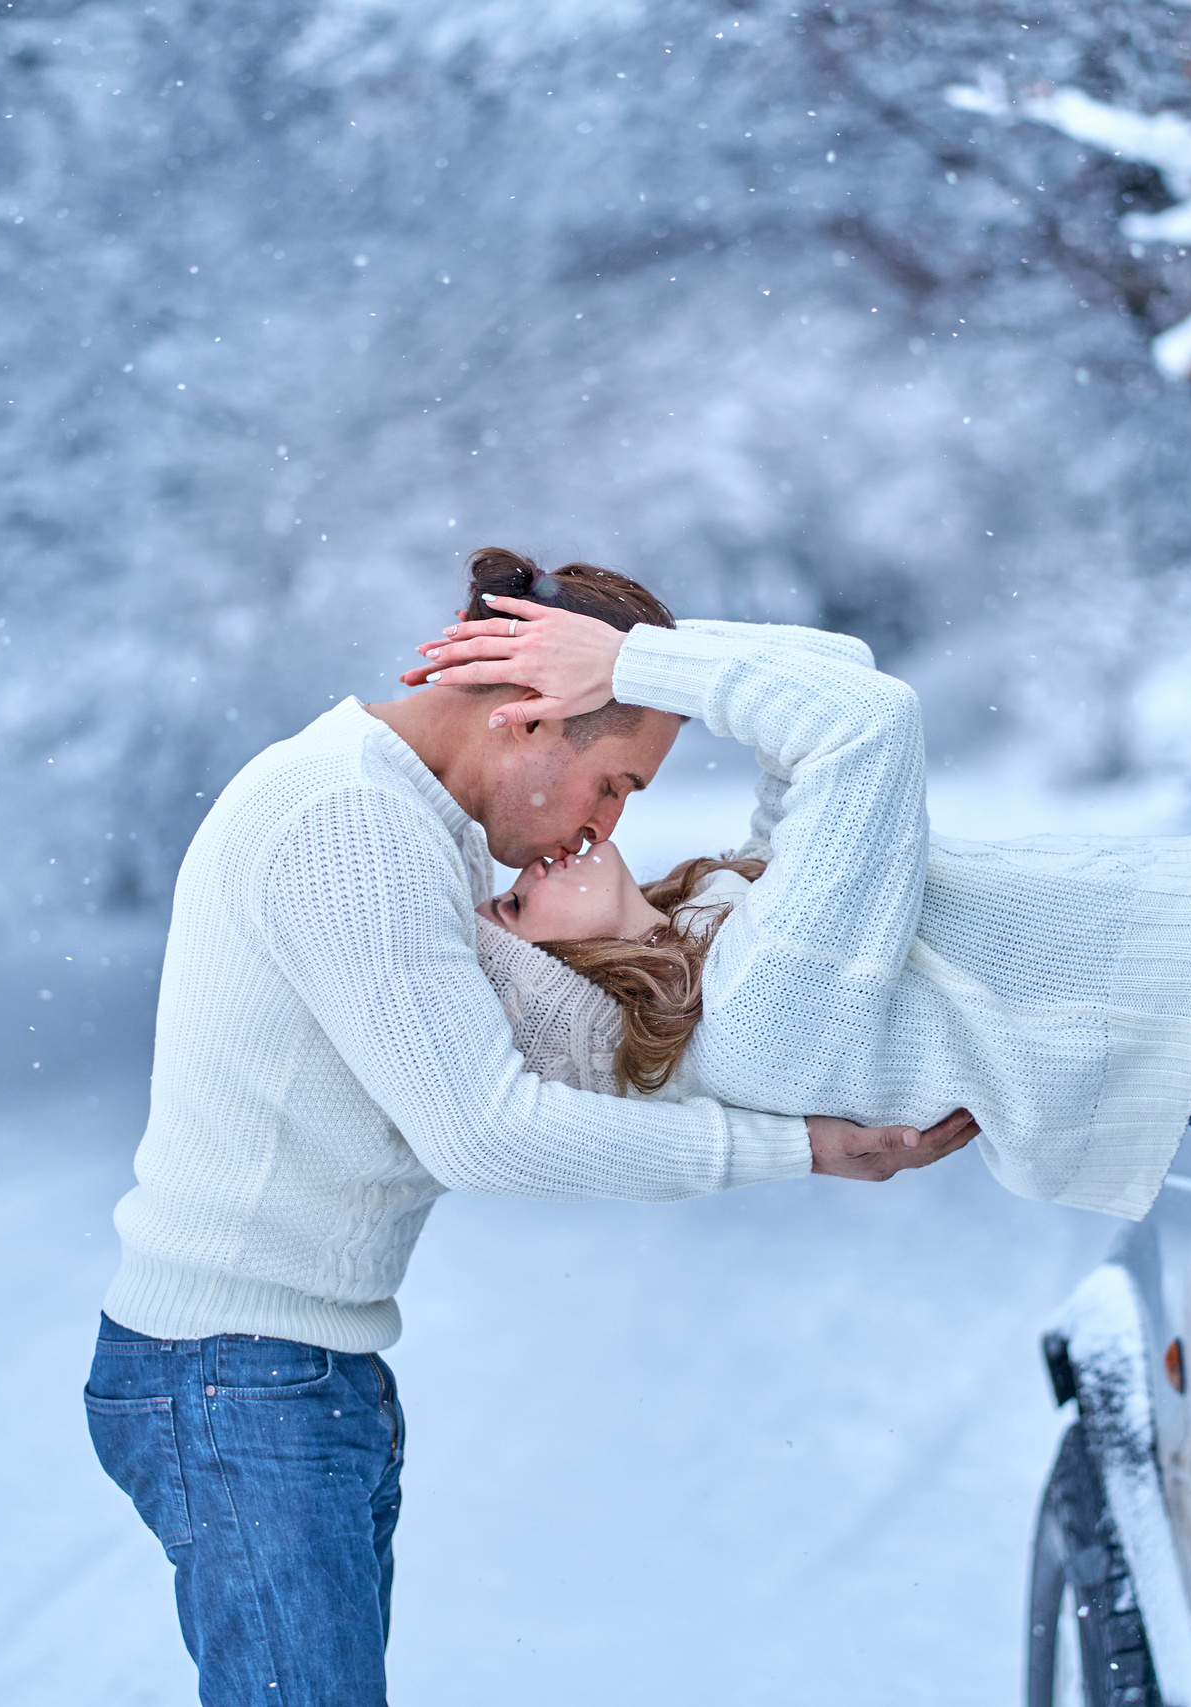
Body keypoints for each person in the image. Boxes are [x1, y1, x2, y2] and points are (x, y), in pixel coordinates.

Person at [86, 550, 978, 1707]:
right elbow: (486, 1131)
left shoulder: (425, 817)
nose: (607, 823)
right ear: (526, 720)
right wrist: (803, 1146)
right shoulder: (350, 820)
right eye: (615, 783)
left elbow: (842, 680)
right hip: (231, 1377)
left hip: (295, 1370)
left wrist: (637, 662)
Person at [420, 600, 1191, 1220]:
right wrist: (633, 670)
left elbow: (837, 674)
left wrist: (632, 657)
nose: (539, 857)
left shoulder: (731, 928)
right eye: (514, 903)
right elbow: (869, 728)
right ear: (559, 982)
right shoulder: (754, 1011)